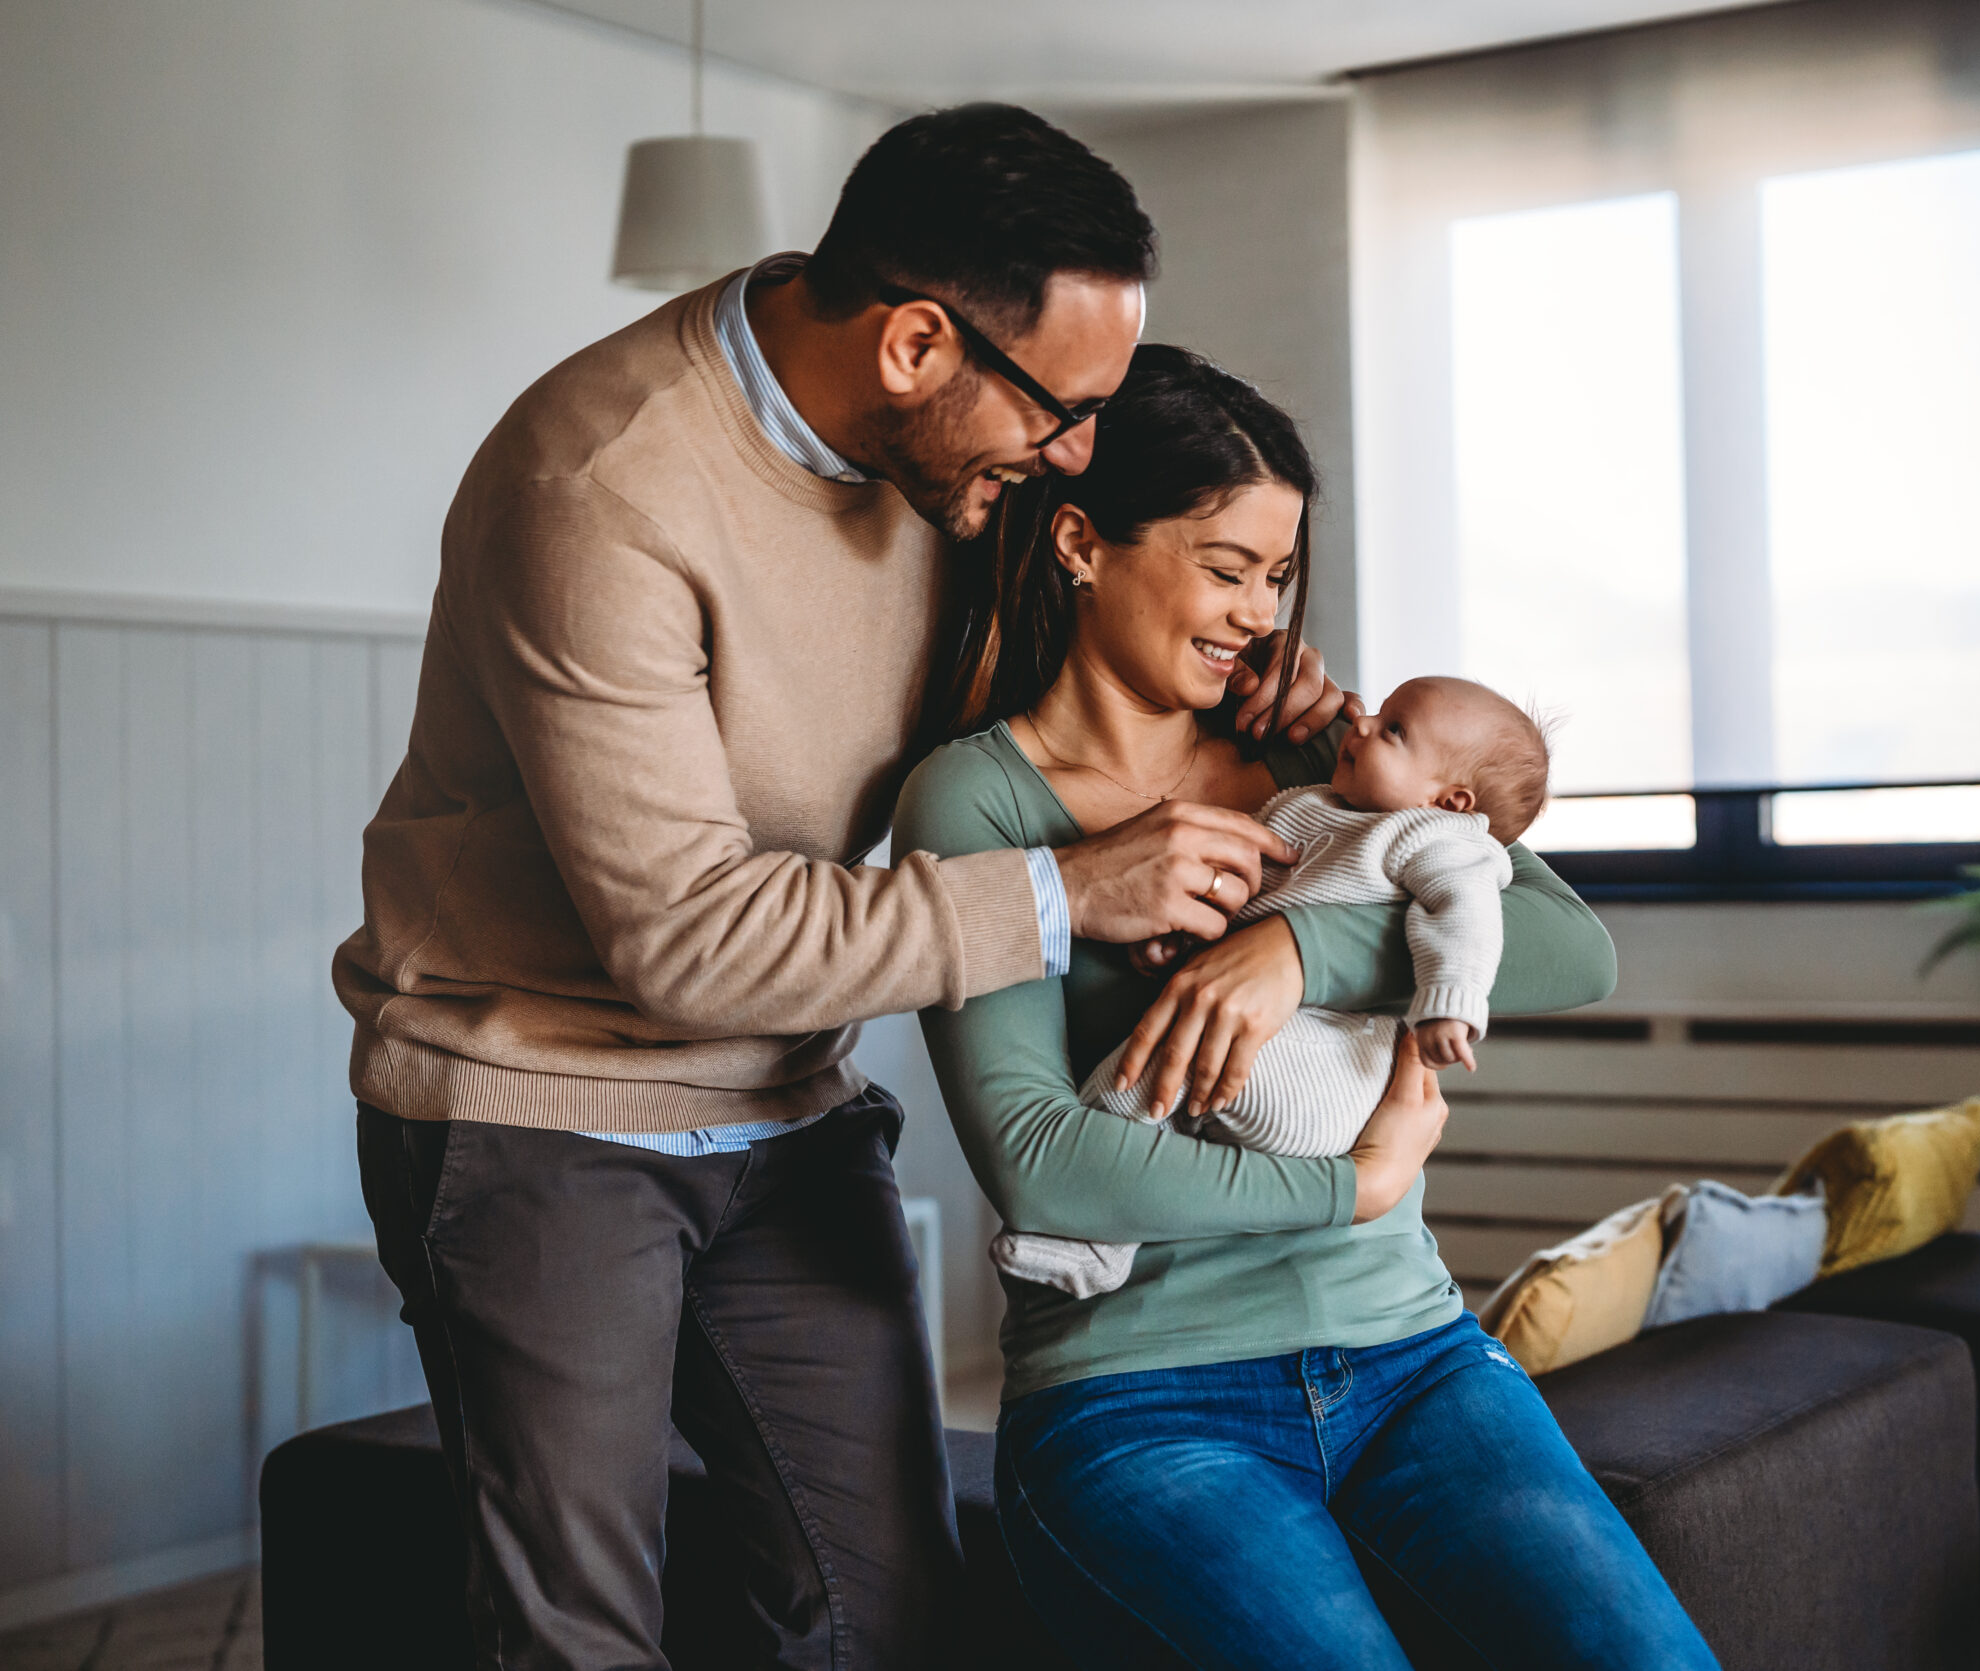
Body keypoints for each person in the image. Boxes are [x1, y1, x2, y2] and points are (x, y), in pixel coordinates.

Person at [336, 107, 1346, 1670]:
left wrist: (1240, 703)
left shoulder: (953, 468)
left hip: (790, 1108)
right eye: (1065, 408)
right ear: (916, 343)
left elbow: (1054, 679)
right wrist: (1066, 889)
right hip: (541, 1107)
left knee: (884, 1614)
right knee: (578, 1639)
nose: (1078, 449)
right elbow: (687, 939)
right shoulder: (600, 490)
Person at [894, 345, 1721, 1668]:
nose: (1255, 611)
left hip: (1414, 1359)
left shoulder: (1318, 750)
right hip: (1139, 1397)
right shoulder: (975, 797)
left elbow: (1570, 949)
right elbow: (1042, 1158)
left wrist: (1294, 945)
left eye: (1278, 575)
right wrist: (1355, 1188)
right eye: (1225, 567)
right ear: (1079, 540)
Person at [991, 675, 1551, 1298]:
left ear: (1449, 801)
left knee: (1161, 1056)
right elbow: (1243, 898)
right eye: (1380, 711)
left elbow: (1467, 914)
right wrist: (1183, 939)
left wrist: (1451, 1005)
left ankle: (1090, 1227)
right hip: (1277, 1052)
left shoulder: (1434, 839)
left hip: (1331, 1076)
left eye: (1393, 730)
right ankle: (1108, 1224)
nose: (1361, 723)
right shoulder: (1310, 805)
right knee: (1173, 1070)